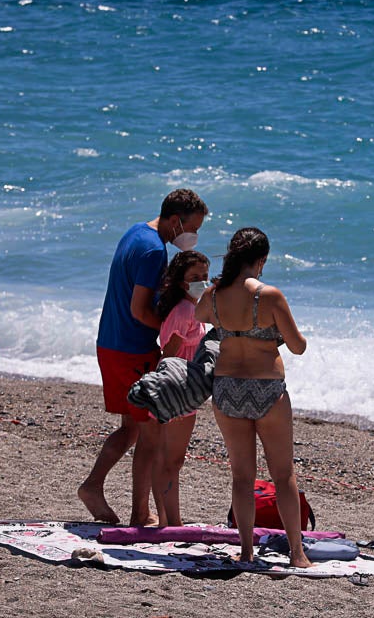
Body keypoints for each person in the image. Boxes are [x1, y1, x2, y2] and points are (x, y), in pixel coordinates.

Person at [78, 189, 208, 526]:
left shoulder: (136, 232)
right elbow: (140, 310)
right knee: (150, 436)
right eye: (193, 227)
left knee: (132, 428)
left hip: (109, 343)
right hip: (133, 348)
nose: (194, 236)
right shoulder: (153, 250)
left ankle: (93, 486)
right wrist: (173, 329)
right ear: (176, 220)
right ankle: (139, 513)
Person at [192, 227, 311, 568]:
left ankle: (245, 551)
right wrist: (275, 339)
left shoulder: (214, 295)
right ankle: (298, 555)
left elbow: (201, 315)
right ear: (261, 260)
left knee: (242, 476)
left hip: (227, 388)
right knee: (283, 475)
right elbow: (299, 346)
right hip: (266, 389)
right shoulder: (269, 295)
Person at [150, 250, 211, 526]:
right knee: (171, 460)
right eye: (195, 277)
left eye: (205, 276)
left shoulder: (191, 309)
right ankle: (171, 521)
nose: (202, 281)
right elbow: (169, 354)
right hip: (177, 390)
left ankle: (168, 519)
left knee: (169, 459)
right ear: (181, 281)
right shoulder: (185, 311)